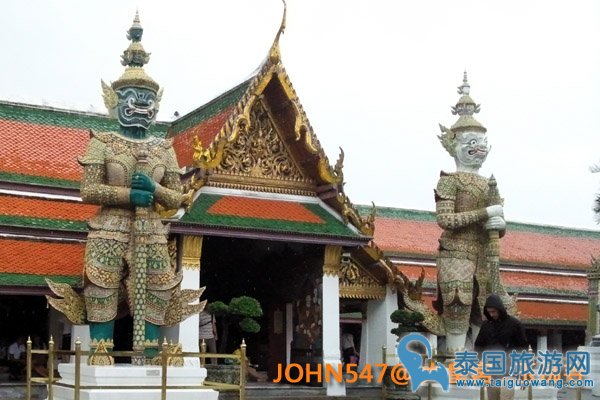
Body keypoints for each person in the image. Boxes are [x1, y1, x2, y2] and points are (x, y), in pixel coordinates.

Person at [47, 12, 186, 362]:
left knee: (156, 287)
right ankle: (100, 350)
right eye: (132, 95)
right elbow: (88, 189)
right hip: (108, 227)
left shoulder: (163, 147)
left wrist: (153, 191)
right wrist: (128, 194)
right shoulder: (103, 141)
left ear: (156, 104)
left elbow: (178, 197)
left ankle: (151, 351)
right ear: (115, 99)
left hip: (152, 228)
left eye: (147, 97)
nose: (141, 103)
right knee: (101, 285)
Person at [475, 294, 528, 400]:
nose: (491, 314)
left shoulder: (514, 324)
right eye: (489, 312)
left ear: (500, 309)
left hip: (509, 369)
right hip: (491, 370)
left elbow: (523, 348)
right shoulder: (486, 326)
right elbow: (479, 346)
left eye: (493, 311)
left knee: (506, 396)